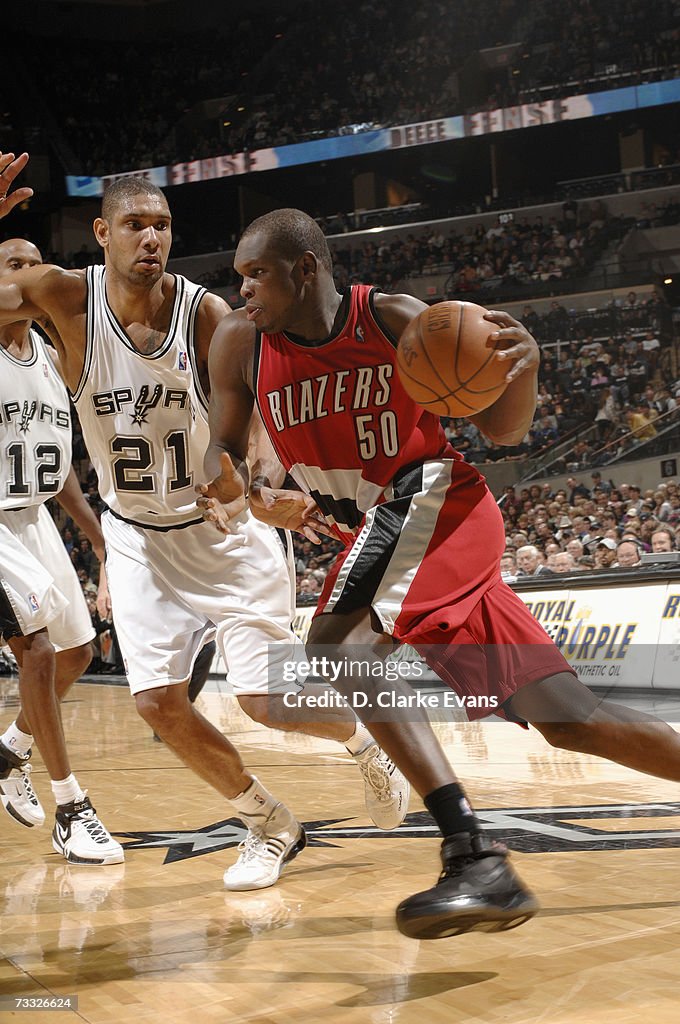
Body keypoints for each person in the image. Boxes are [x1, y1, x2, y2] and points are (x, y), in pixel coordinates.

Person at [201, 207, 680, 940]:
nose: (242, 291)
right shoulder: (240, 342)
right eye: (238, 277)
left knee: (337, 647)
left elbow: (503, 431)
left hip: (435, 507)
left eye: (255, 274)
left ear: (306, 269)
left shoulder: (392, 319)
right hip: (396, 537)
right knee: (570, 721)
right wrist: (239, 485)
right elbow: (225, 447)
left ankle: (472, 853)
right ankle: (478, 859)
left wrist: (526, 367)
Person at [0, 159, 407, 891]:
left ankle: (363, 740)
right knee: (158, 704)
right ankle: (269, 822)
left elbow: (257, 415)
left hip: (221, 532)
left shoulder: (207, 315)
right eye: (134, 224)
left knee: (262, 701)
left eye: (161, 225)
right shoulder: (63, 296)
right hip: (134, 536)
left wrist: (255, 484)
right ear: (102, 234)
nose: (151, 237)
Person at [0, 235, 122, 864]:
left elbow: (59, 461)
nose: (32, 276)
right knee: (39, 652)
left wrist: (98, 537)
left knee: (77, 651)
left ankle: (7, 752)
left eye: (35, 264)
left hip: (36, 515)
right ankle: (71, 808)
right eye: (16, 266)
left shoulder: (47, 353)